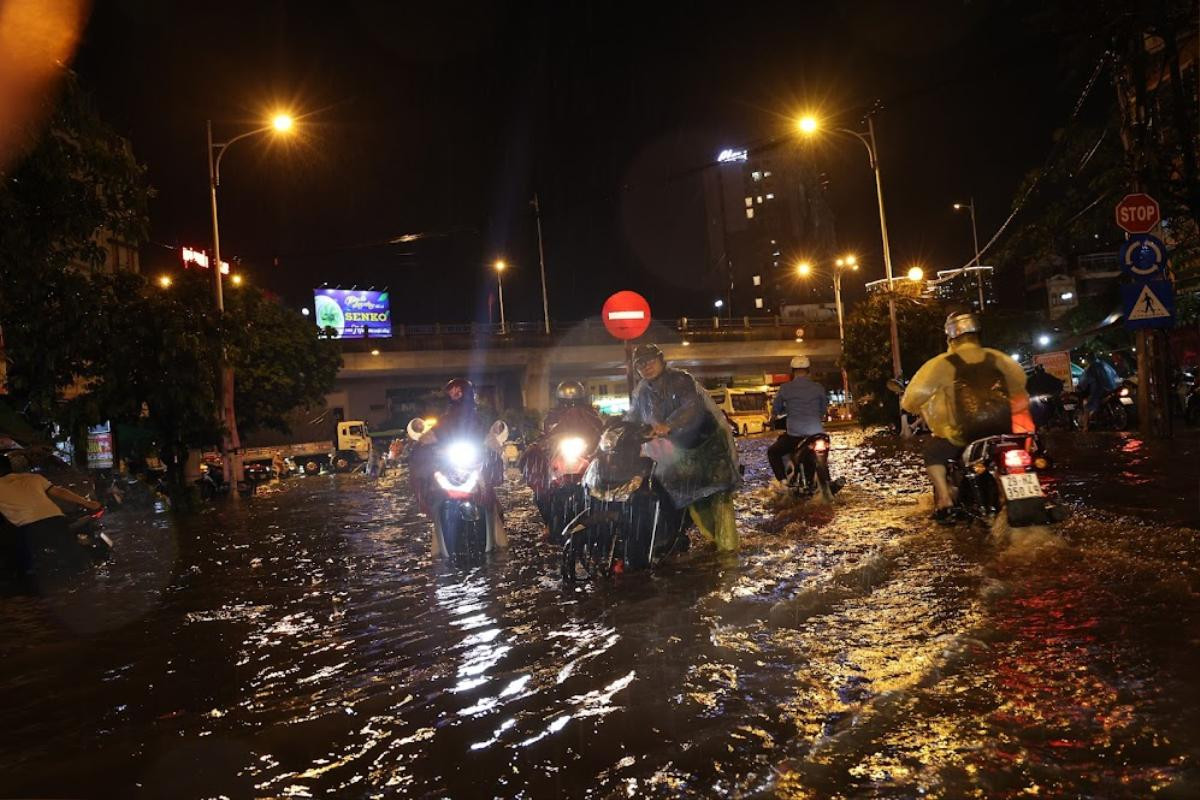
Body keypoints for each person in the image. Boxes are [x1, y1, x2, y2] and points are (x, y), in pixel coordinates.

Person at [901, 312, 1034, 524]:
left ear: (950, 338)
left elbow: (910, 400)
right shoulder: (1000, 358)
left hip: (964, 435)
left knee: (933, 452)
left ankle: (944, 498)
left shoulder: (942, 364)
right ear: (977, 334)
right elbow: (1020, 383)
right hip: (1004, 433)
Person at [627, 344, 741, 551]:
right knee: (672, 487)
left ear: (661, 360)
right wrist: (620, 430)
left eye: (650, 361)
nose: (646, 367)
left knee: (714, 496)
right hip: (676, 449)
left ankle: (727, 547)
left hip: (706, 445)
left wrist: (669, 424)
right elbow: (633, 416)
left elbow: (691, 407)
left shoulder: (680, 380)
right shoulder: (642, 392)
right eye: (641, 364)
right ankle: (678, 535)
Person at [519, 381, 605, 534]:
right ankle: (549, 523)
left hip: (584, 455)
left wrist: (598, 446)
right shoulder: (552, 416)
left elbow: (599, 433)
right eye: (566, 402)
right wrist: (540, 445)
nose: (571, 406)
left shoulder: (590, 414)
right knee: (540, 487)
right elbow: (548, 434)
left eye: (574, 402)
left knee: (604, 481)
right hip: (559, 456)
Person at [0, 453, 102, 573]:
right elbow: (59, 492)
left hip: (28, 528)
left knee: (19, 563)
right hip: (56, 520)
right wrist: (87, 503)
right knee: (76, 559)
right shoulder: (33, 478)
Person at [767, 355, 829, 491]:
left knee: (772, 452)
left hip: (795, 435)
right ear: (808, 370)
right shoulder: (818, 387)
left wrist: (773, 418)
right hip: (817, 433)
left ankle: (783, 483)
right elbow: (823, 409)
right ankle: (823, 482)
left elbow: (775, 410)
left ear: (792, 371)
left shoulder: (785, 388)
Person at [1076, 354, 1120, 432]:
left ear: (1088, 360)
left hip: (1098, 390)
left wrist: (1080, 387)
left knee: (1087, 407)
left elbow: (1084, 380)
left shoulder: (1091, 368)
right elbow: (1114, 373)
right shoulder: (1104, 364)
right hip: (1112, 388)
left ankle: (1085, 427)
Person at [1025, 364, 1066, 429]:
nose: (1040, 373)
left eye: (1041, 371)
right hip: (1036, 398)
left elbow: (1058, 383)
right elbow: (1026, 388)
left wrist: (1055, 393)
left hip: (1048, 397)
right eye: (1039, 371)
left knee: (1058, 403)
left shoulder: (1049, 377)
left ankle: (1061, 417)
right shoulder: (1031, 379)